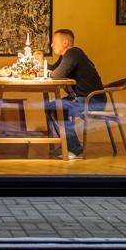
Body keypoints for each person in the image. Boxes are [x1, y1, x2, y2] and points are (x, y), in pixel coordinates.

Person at [34, 29, 105, 160]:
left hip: (92, 100)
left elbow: (57, 75)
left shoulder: (73, 53)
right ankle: (67, 144)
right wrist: (41, 61)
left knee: (59, 108)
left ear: (65, 43)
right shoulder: (66, 56)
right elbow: (55, 70)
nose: (51, 45)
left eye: (54, 42)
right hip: (81, 98)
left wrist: (47, 72)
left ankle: (75, 149)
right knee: (51, 107)